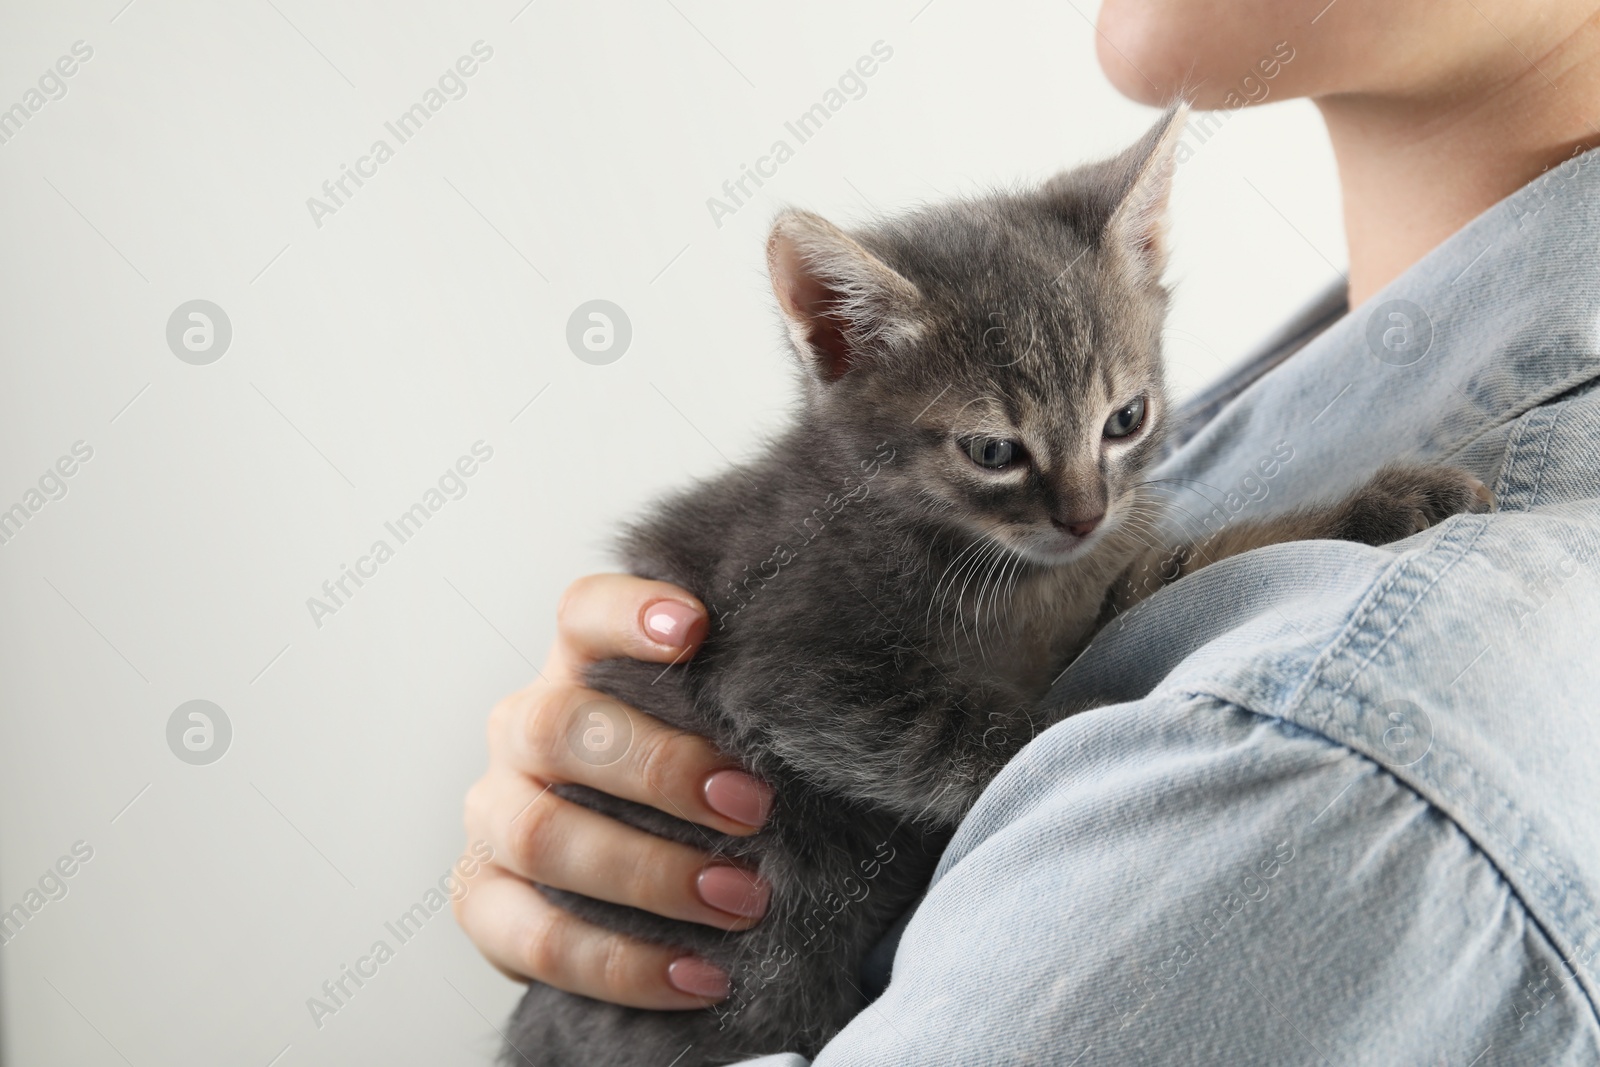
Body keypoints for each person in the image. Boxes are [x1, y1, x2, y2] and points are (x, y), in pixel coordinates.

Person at [456, 0, 1600, 1060]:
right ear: (838, 344)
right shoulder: (1341, 374)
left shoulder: (1332, 741)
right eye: (999, 451)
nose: (1082, 507)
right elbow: (1126, 593)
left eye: (1118, 428)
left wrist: (1047, 760)